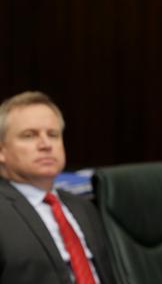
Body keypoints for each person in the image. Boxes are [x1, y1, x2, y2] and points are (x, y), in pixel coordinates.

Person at [0, 91, 116, 284]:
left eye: (53, 135)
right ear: (2, 151)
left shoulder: (84, 207)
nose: (46, 144)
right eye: (29, 135)